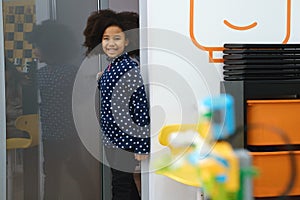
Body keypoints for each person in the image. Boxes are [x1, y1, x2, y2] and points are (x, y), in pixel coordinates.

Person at [26, 20, 100, 200]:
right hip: (60, 133)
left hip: (61, 134)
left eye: (37, 47)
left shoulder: (44, 75)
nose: (35, 51)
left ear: (49, 47)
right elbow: (83, 96)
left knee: (54, 175)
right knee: (69, 171)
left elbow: (83, 96)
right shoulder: (65, 72)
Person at [83, 9, 150, 200]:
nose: (111, 43)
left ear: (127, 41)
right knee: (125, 184)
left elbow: (140, 106)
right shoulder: (112, 65)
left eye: (117, 38)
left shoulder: (128, 67)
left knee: (120, 186)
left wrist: (142, 146)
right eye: (106, 38)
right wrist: (101, 79)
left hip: (124, 139)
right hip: (111, 137)